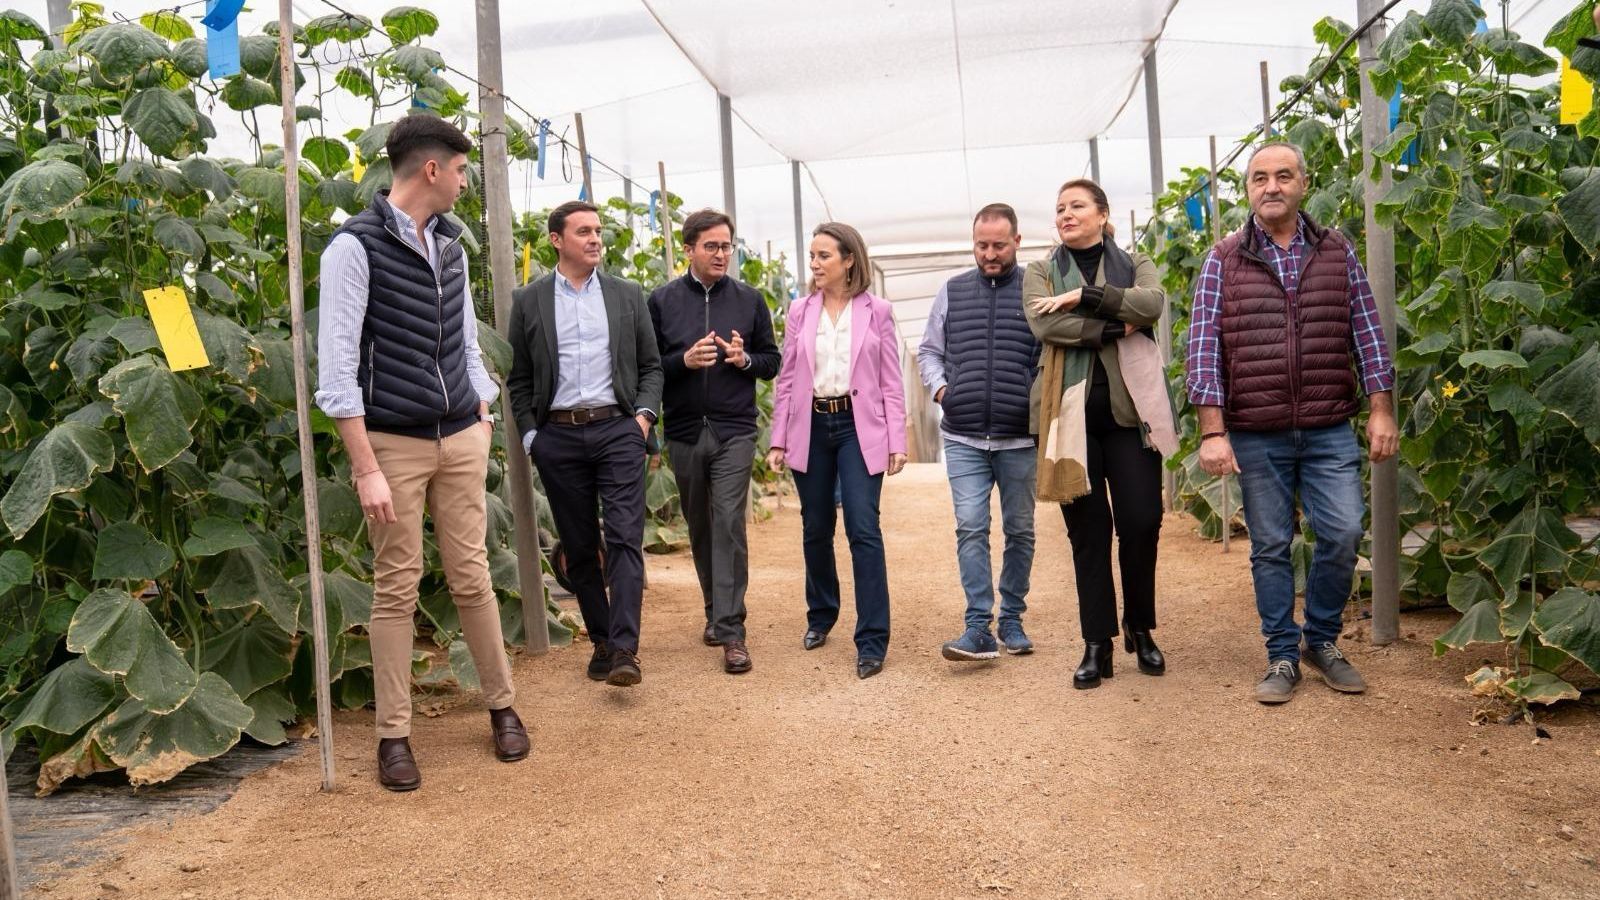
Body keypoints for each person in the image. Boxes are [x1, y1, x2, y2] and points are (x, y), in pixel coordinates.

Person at [315, 114, 527, 792]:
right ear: (431, 170)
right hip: (393, 444)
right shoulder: (353, 248)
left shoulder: (450, 245)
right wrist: (366, 467)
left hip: (460, 434)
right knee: (396, 587)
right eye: (461, 170)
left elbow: (464, 338)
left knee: (472, 576)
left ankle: (502, 707)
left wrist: (482, 407)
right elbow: (336, 371)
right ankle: (393, 736)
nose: (465, 182)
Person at [1185, 142, 1397, 705]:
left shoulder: (1336, 250)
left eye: (1283, 176)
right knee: (1271, 545)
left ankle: (1320, 640)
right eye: (1260, 178)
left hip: (1328, 426)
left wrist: (1381, 408)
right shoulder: (1222, 259)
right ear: (1248, 190)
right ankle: (1282, 651)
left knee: (1343, 532)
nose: (1271, 187)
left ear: (1304, 183)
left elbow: (1368, 333)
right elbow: (1203, 348)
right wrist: (1212, 431)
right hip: (1256, 430)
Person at [1024, 179, 1178, 690]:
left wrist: (1086, 298)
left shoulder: (1135, 263)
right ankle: (1098, 642)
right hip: (1068, 420)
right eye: (1060, 208)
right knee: (1088, 533)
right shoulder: (1041, 270)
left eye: (1076, 206)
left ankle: (1140, 625)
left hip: (1131, 417)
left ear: (1102, 214)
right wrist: (1113, 325)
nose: (1065, 214)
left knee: (1142, 521)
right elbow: (1045, 326)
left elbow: (1150, 305)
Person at [507, 201, 664, 688]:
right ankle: (601, 640)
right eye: (583, 232)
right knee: (578, 546)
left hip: (618, 429)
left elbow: (651, 366)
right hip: (558, 436)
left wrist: (642, 419)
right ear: (557, 240)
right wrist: (533, 436)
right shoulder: (529, 300)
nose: (595, 239)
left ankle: (625, 648)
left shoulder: (626, 294)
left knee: (624, 537)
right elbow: (519, 378)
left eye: (597, 231)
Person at [766, 222, 908, 680]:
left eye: (823, 255)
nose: (815, 263)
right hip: (810, 425)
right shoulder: (799, 311)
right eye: (812, 256)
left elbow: (891, 381)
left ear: (849, 260)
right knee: (815, 527)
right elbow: (788, 378)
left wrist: (897, 440)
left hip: (857, 427)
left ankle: (872, 640)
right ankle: (822, 614)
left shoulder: (877, 311)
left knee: (863, 528)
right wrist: (778, 438)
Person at [648, 208, 781, 674]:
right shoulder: (661, 301)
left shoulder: (749, 300)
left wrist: (745, 360)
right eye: (712, 246)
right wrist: (682, 361)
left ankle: (731, 630)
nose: (722, 254)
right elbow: (649, 366)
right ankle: (714, 610)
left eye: (727, 246)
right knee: (700, 527)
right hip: (685, 431)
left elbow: (771, 361)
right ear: (689, 250)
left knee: (727, 523)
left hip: (734, 430)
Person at [917, 203, 1041, 662]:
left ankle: (1012, 618)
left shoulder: (1036, 290)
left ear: (1017, 242)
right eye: (981, 245)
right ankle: (977, 626)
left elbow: (1052, 351)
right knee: (971, 527)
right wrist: (942, 390)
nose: (989, 254)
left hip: (1019, 437)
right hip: (964, 436)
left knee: (1020, 530)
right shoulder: (952, 291)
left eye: (999, 245)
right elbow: (929, 351)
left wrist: (1034, 397)